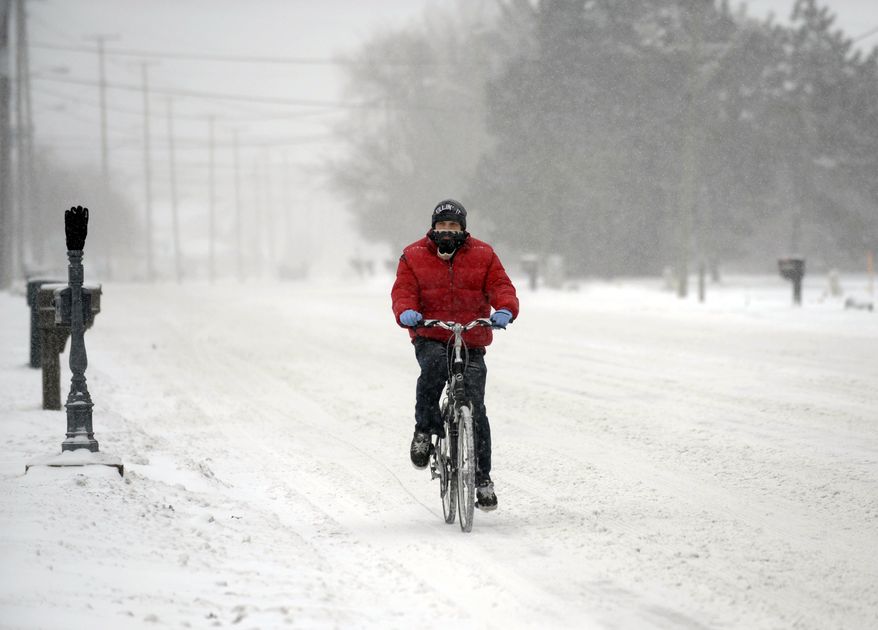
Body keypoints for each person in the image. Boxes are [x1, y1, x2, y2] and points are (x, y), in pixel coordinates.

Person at [391, 199, 519, 511]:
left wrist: (505, 309)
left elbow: (501, 286)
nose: (447, 231)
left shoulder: (484, 255)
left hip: (471, 338)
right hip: (432, 335)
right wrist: (407, 311)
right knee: (433, 370)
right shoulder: (413, 255)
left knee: (475, 407)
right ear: (433, 227)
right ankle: (424, 430)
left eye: (454, 226)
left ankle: (482, 479)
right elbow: (403, 291)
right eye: (442, 225)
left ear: (463, 228)